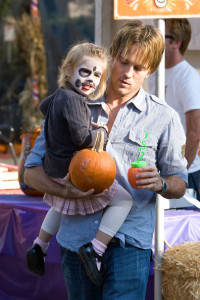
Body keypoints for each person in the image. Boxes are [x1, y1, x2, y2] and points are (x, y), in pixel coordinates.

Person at [24, 20, 188, 300]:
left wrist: (160, 183)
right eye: (123, 62)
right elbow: (31, 172)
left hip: (129, 241)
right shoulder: (73, 102)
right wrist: (66, 191)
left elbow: (179, 183)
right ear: (111, 55)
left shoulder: (164, 117)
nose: (128, 73)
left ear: (150, 70)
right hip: (77, 238)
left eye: (139, 68)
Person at [25, 42, 133, 286]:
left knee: (61, 205)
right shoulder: (75, 101)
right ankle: (95, 248)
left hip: (53, 168)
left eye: (97, 75)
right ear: (69, 71)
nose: (91, 79)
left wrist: (63, 123)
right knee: (124, 200)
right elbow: (80, 138)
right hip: (72, 171)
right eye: (85, 72)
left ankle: (39, 245)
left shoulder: (59, 96)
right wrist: (100, 133)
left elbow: (44, 108)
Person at [148, 18, 200, 200]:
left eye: (161, 36)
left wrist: (180, 175)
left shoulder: (188, 78)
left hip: (185, 174)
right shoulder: (155, 73)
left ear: (176, 42)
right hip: (160, 172)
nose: (155, 41)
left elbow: (195, 133)